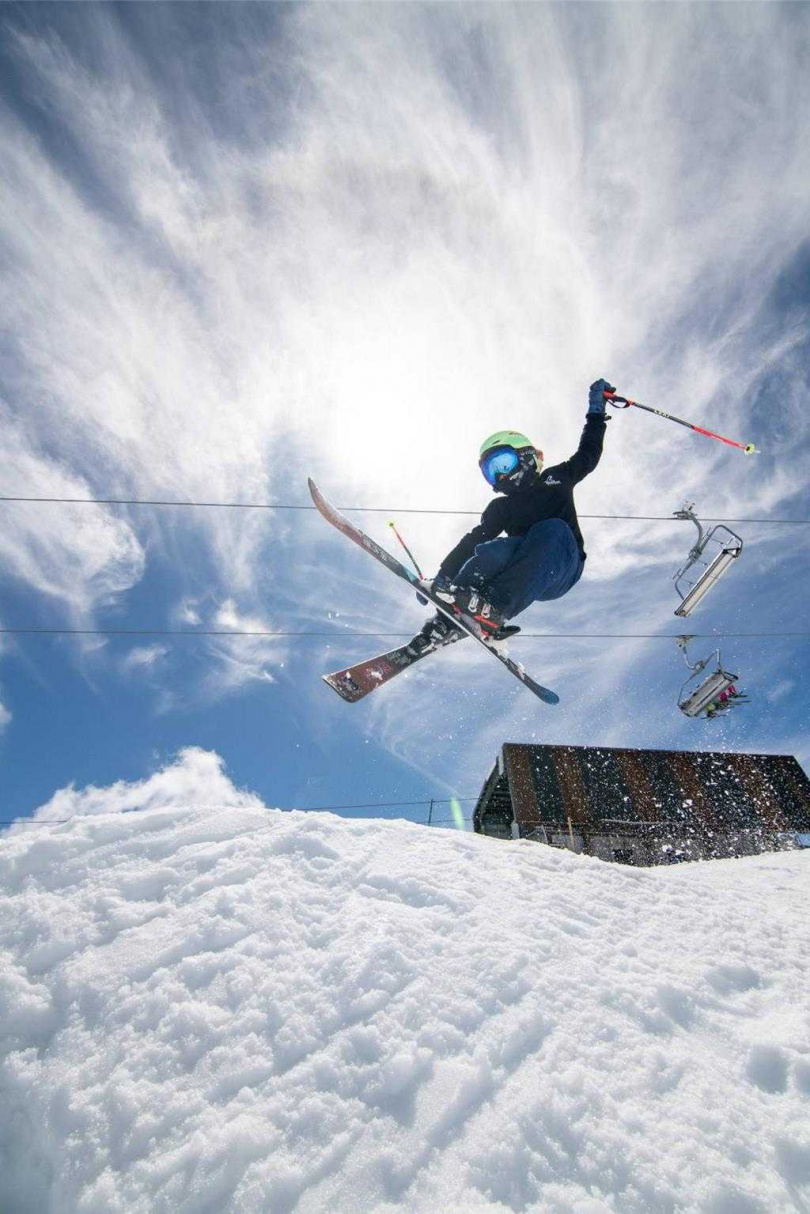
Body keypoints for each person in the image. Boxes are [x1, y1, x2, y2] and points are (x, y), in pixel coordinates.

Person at [419, 378, 614, 642]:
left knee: (552, 528)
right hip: (523, 566)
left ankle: (495, 608)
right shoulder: (501, 507)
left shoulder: (556, 478)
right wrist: (444, 576)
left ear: (525, 455)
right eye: (491, 472)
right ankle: (448, 619)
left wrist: (596, 410)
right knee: (493, 550)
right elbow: (472, 541)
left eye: (503, 463)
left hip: (562, 564)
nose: (499, 476)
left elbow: (588, 453)